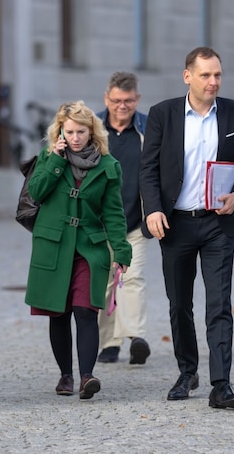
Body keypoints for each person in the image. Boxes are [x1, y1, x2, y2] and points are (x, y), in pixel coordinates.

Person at [139, 47, 234, 409]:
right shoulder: (163, 114)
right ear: (187, 76)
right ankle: (187, 371)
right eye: (206, 75)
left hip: (217, 223)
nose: (213, 82)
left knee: (219, 304)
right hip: (176, 224)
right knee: (179, 305)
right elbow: (148, 169)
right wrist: (153, 210)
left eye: (218, 74)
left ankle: (221, 385)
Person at [25, 100, 132, 400]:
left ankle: (87, 376)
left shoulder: (109, 166)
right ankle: (65, 375)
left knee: (86, 310)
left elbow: (114, 213)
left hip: (89, 248)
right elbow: (36, 192)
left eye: (81, 132)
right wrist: (57, 161)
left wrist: (121, 252)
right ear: (60, 132)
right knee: (57, 314)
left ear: (92, 132)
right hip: (54, 247)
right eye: (69, 131)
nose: (75, 137)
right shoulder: (49, 157)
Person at [96, 71, 151, 366]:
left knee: (133, 279)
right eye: (116, 100)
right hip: (100, 224)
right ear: (107, 98)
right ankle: (109, 343)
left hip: (135, 222)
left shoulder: (147, 130)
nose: (122, 106)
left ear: (137, 99)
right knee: (105, 285)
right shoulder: (93, 129)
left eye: (128, 101)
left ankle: (136, 337)